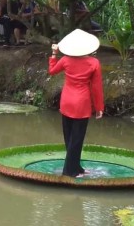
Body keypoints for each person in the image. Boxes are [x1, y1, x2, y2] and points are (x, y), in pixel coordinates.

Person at [48, 29, 104, 178]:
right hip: (82, 103)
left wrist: (54, 54)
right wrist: (99, 107)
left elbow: (52, 71)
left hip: (66, 101)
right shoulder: (94, 62)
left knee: (70, 137)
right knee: (77, 139)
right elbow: (96, 88)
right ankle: (69, 171)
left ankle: (77, 167)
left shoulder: (65, 59)